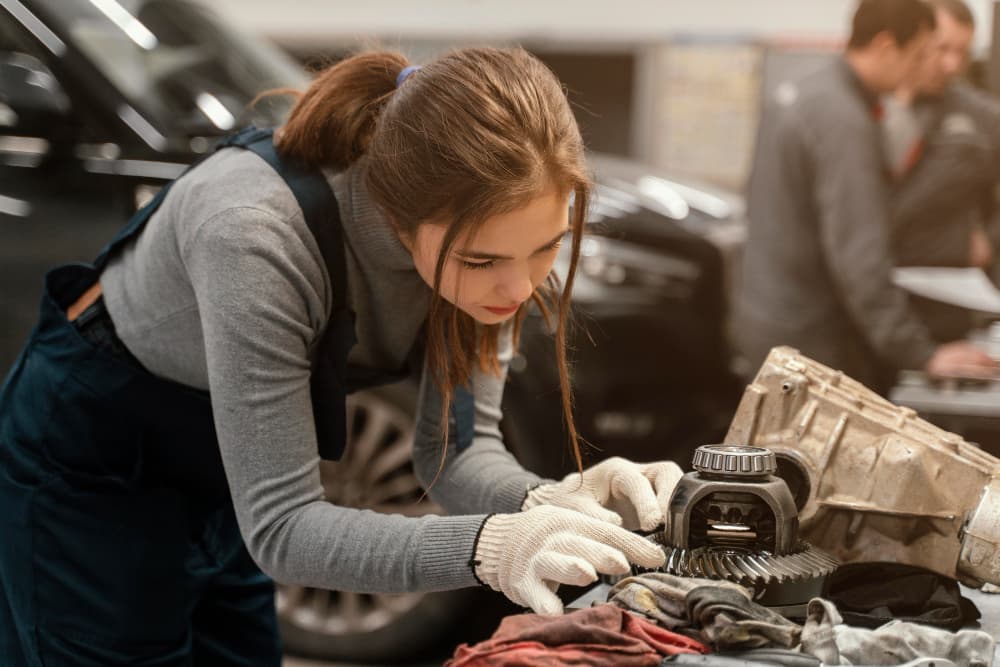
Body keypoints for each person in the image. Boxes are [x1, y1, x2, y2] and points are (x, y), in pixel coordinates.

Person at [0, 48, 681, 666]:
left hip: (218, 461)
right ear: (397, 215)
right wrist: (493, 549)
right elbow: (284, 527)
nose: (520, 286)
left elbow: (456, 453)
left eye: (545, 247)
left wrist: (553, 501)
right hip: (90, 463)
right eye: (483, 259)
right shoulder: (255, 236)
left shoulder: (491, 249)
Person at [735, 0, 995, 395]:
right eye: (920, 54)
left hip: (768, 320)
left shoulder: (801, 93)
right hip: (814, 341)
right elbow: (859, 254)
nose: (922, 68)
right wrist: (922, 354)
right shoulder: (844, 120)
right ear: (888, 46)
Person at [881, 0, 1000, 341]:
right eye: (941, 49)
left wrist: (990, 240)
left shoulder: (982, 118)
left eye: (962, 53)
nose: (951, 64)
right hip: (876, 302)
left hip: (947, 308)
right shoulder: (867, 110)